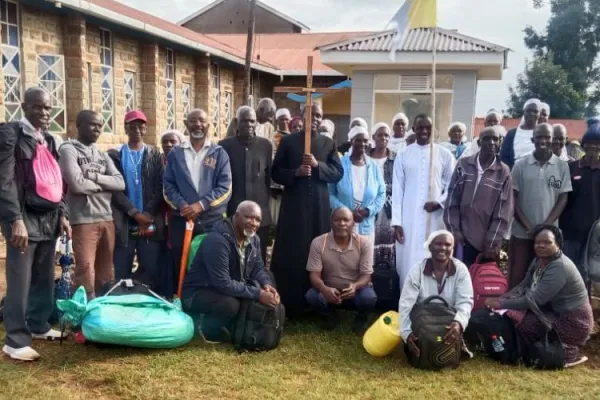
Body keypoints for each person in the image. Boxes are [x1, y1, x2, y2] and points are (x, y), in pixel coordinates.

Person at [0, 88, 71, 361]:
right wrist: (14, 219)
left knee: (43, 276)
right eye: (38, 107)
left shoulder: (49, 139)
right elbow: (4, 180)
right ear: (24, 106)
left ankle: (39, 324)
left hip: (49, 218)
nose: (44, 113)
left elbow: (57, 182)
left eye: (48, 109)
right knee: (20, 279)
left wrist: (63, 214)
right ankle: (15, 341)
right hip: (23, 217)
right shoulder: (11, 134)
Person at [270, 103, 343, 314]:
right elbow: (275, 172)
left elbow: (338, 172)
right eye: (311, 115)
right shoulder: (288, 141)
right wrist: (296, 173)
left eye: (319, 116)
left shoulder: (328, 143)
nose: (315, 119)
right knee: (293, 249)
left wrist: (318, 165)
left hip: (319, 206)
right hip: (294, 205)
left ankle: (319, 300)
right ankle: (291, 302)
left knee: (318, 249)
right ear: (302, 117)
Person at [486, 225, 593, 368]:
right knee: (514, 316)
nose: (541, 246)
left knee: (523, 322)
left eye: (547, 242)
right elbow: (523, 285)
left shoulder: (559, 267)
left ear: (558, 244)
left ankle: (565, 353)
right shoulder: (539, 261)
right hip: (553, 312)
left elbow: (534, 300)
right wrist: (502, 298)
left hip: (573, 321)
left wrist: (501, 304)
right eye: (537, 242)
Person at [182, 201, 279, 343]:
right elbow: (222, 282)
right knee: (230, 305)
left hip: (225, 288)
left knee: (268, 278)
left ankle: (228, 324)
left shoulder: (254, 239)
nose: (254, 223)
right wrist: (258, 294)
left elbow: (258, 268)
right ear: (237, 216)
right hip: (198, 293)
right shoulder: (217, 241)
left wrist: (267, 285)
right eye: (249, 217)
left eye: (258, 220)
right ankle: (205, 327)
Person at [163, 109, 232, 293]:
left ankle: (207, 303)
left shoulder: (219, 153)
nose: (198, 124)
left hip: (210, 222)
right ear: (186, 125)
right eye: (193, 121)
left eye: (202, 120)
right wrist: (183, 205)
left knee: (210, 262)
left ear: (208, 125)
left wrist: (200, 205)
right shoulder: (175, 154)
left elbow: (225, 188)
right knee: (182, 262)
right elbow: (168, 186)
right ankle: (182, 300)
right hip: (182, 220)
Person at [60, 110, 125, 299]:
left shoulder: (102, 155)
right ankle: (82, 315)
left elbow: (120, 183)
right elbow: (77, 184)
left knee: (106, 270)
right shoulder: (68, 149)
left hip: (107, 218)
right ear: (78, 126)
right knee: (85, 269)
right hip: (83, 219)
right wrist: (105, 185)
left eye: (100, 125)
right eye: (92, 124)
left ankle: (101, 313)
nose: (97, 128)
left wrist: (94, 177)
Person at [392, 114, 456, 288]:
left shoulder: (444, 154)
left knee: (434, 254)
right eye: (420, 127)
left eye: (428, 127)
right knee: (408, 259)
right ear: (413, 129)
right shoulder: (403, 155)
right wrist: (397, 222)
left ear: (433, 130)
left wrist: (439, 202)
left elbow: (453, 183)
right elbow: (397, 189)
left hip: (435, 218)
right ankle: (407, 301)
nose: (424, 131)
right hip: (409, 218)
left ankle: (433, 300)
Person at [509, 123, 572, 289]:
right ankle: (511, 312)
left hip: (549, 235)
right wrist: (529, 227)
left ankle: (539, 312)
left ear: (553, 139)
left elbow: (563, 198)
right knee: (518, 274)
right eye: (539, 137)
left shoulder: (562, 166)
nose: (543, 141)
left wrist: (546, 226)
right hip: (522, 232)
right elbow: (512, 199)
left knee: (545, 276)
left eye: (547, 137)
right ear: (532, 139)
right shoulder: (520, 165)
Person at [108, 110, 165, 289]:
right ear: (125, 128)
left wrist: (146, 214)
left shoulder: (155, 155)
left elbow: (160, 187)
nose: (137, 130)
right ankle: (122, 306)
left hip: (149, 223)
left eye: (141, 126)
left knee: (149, 270)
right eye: (132, 126)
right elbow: (115, 190)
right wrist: (134, 213)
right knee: (121, 271)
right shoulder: (114, 156)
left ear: (146, 128)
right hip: (124, 223)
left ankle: (145, 304)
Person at [444, 127, 514, 267]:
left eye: (496, 139)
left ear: (500, 143)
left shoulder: (503, 172)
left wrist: (492, 241)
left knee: (481, 282)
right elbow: (452, 199)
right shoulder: (464, 165)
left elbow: (504, 211)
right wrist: (455, 230)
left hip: (486, 242)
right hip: (460, 238)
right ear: (479, 142)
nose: (492, 142)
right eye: (487, 138)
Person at [399, 231, 474, 357]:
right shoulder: (416, 270)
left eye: (447, 244)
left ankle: (457, 342)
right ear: (430, 247)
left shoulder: (461, 270)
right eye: (438, 244)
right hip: (423, 323)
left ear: (452, 248)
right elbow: (405, 305)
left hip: (449, 323)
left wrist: (458, 323)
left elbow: (466, 302)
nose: (443, 248)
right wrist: (406, 334)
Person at [305, 207, 377, 333]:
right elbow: (314, 276)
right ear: (331, 223)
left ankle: (361, 319)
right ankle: (329, 315)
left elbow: (367, 276)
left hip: (355, 291)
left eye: (346, 220)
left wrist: (355, 286)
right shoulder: (318, 242)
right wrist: (325, 289)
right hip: (330, 291)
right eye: (337, 220)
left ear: (353, 224)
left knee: (369, 297)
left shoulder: (364, 243)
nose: (342, 223)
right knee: (312, 296)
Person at [219, 106, 272, 262]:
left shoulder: (265, 146)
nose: (248, 124)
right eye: (244, 121)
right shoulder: (224, 146)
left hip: (259, 212)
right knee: (233, 255)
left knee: (257, 256)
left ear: (256, 123)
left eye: (252, 121)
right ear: (237, 122)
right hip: (234, 211)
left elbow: (268, 178)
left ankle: (257, 286)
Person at [329, 126, 385, 243]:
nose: (362, 144)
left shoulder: (374, 166)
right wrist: (348, 213)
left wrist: (368, 210)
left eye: (365, 141)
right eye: (358, 140)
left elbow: (381, 194)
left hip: (366, 227)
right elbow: (330, 194)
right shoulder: (340, 165)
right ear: (351, 141)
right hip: (342, 224)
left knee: (365, 260)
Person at [560, 121, 600, 282]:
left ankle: (586, 306)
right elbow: (563, 199)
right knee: (568, 271)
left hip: (594, 235)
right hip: (570, 232)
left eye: (597, 144)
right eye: (589, 144)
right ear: (583, 145)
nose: (593, 148)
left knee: (591, 274)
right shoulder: (572, 168)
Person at [159, 129, 184, 297]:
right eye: (165, 142)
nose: (168, 145)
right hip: (160, 214)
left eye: (172, 141)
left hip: (180, 214)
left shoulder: (185, 163)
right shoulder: (157, 162)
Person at [369, 123, 397, 267]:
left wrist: (383, 188)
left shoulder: (396, 158)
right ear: (373, 137)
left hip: (388, 207)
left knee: (386, 239)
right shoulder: (365, 157)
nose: (383, 138)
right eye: (380, 135)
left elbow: (399, 184)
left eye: (386, 135)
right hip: (368, 206)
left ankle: (384, 274)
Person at [500, 98, 541, 169]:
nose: (531, 113)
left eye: (535, 111)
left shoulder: (543, 133)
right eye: (528, 111)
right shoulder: (512, 134)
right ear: (524, 112)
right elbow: (504, 157)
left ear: (539, 114)